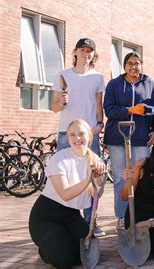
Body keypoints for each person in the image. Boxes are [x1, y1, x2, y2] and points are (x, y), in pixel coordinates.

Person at [29, 119, 106, 268]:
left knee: (84, 253)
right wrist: (88, 178)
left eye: (81, 134)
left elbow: (97, 194)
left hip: (71, 216)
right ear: (67, 138)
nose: (77, 138)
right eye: (72, 135)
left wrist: (99, 178)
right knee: (65, 261)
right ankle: (45, 249)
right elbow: (65, 194)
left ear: (89, 136)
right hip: (46, 217)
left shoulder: (94, 159)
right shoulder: (59, 158)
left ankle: (60, 241)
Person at [51, 37, 106, 237]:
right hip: (68, 134)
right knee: (68, 177)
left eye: (89, 50)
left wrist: (100, 124)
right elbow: (54, 107)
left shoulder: (98, 77)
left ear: (93, 55)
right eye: (82, 50)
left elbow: (98, 105)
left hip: (89, 134)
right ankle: (68, 221)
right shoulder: (63, 76)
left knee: (92, 177)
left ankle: (91, 221)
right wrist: (62, 102)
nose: (86, 53)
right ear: (75, 52)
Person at [103, 51, 154, 231]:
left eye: (137, 63)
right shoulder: (114, 84)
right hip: (117, 138)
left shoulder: (150, 85)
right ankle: (122, 216)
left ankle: (139, 214)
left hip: (141, 138)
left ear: (141, 65)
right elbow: (109, 110)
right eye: (130, 63)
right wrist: (130, 110)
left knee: (141, 177)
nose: (133, 66)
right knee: (121, 177)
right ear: (124, 65)